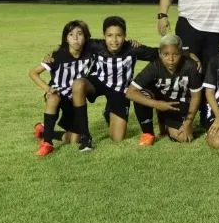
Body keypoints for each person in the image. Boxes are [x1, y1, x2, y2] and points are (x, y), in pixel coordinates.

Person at [70, 15, 157, 144]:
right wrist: (51, 56)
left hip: (120, 89)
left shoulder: (133, 49)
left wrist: (188, 54)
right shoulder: (95, 45)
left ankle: (108, 112)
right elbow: (69, 47)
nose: (114, 40)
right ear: (104, 35)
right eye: (110, 35)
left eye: (119, 35)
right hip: (98, 82)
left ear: (125, 35)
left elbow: (160, 53)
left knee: (117, 138)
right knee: (78, 84)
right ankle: (84, 134)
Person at [126, 34, 204, 146]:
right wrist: (156, 104)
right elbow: (130, 92)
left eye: (175, 54)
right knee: (141, 95)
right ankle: (148, 134)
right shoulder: (155, 66)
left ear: (181, 53)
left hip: (178, 103)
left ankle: (167, 126)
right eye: (166, 54)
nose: (171, 59)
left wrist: (188, 122)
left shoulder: (190, 66)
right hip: (160, 99)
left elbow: (196, 96)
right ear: (160, 54)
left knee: (184, 138)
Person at [29, 20, 93, 156]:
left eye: (79, 34)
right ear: (66, 38)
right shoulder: (57, 56)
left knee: (73, 139)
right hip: (58, 94)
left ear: (86, 37)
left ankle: (44, 131)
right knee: (53, 97)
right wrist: (47, 89)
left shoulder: (90, 53)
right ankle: (47, 143)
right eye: (71, 34)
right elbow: (33, 73)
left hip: (75, 100)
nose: (75, 38)